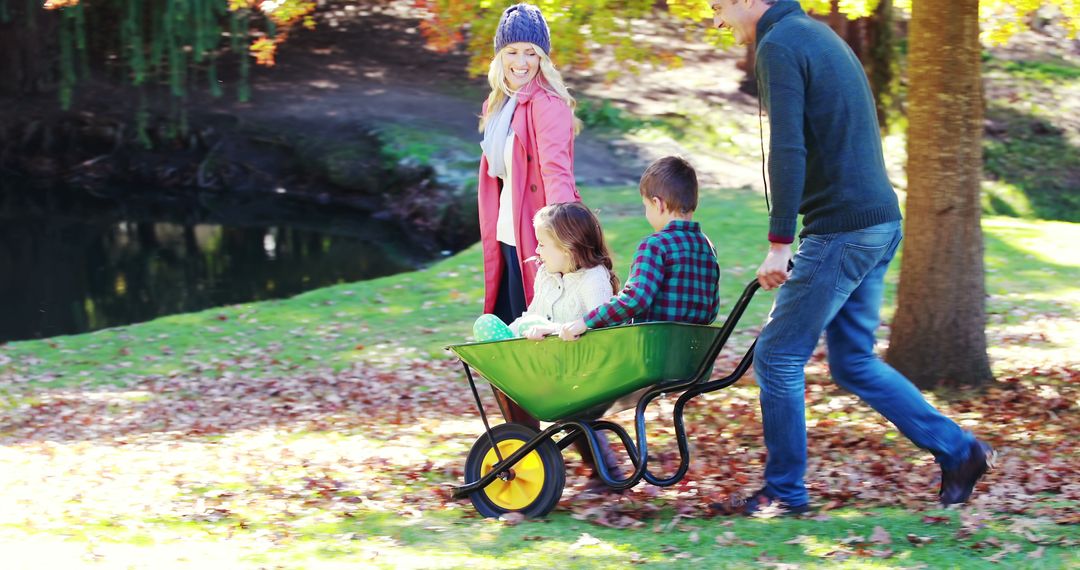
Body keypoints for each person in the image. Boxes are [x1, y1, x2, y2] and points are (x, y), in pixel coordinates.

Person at [708, 0, 993, 515]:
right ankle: (960, 450)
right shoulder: (813, 35)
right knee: (853, 361)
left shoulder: (779, 45)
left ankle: (784, 492)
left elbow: (788, 148)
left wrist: (779, 243)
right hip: (879, 221)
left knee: (777, 357)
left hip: (844, 229)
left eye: (717, 6)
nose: (716, 19)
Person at [475, 3, 581, 426]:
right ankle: (523, 450)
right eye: (513, 51)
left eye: (531, 53)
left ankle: (593, 453)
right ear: (500, 54)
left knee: (542, 351)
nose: (522, 62)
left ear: (544, 58)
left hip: (538, 245)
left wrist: (563, 248)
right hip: (505, 240)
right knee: (505, 348)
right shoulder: (499, 104)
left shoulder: (547, 103)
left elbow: (557, 175)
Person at [561, 156, 720, 340]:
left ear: (658, 204)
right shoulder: (707, 247)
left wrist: (586, 321)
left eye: (646, 206)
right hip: (695, 355)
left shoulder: (655, 246)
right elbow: (711, 310)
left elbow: (635, 299)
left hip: (653, 351)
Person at [473, 202, 620, 343]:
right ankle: (506, 360)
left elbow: (602, 330)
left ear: (567, 249)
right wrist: (510, 335)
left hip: (574, 354)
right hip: (538, 351)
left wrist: (553, 330)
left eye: (542, 244)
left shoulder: (593, 278)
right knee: (485, 323)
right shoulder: (546, 275)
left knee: (530, 324)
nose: (537, 250)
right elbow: (532, 315)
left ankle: (514, 362)